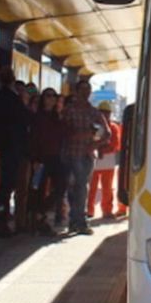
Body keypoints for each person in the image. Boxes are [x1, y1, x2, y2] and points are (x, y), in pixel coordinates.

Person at [60, 80, 109, 235]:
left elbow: (107, 133)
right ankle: (77, 219)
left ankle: (77, 220)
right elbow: (64, 132)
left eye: (88, 89)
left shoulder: (94, 112)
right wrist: (83, 135)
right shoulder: (69, 110)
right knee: (75, 187)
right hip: (71, 153)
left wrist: (95, 145)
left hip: (87, 154)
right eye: (83, 89)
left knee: (81, 186)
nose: (86, 93)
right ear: (76, 91)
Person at [0, 67, 30, 237]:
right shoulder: (10, 98)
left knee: (6, 186)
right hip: (12, 147)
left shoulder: (2, 97)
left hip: (9, 146)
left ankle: (1, 220)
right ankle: (0, 221)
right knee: (7, 185)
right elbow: (22, 119)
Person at [27, 87, 65, 235]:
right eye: (48, 95)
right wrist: (35, 159)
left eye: (53, 96)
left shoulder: (57, 116)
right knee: (38, 189)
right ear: (43, 99)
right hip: (41, 158)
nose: (51, 98)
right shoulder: (37, 117)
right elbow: (33, 138)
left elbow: (63, 134)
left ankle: (40, 213)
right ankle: (38, 222)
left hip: (55, 157)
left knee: (61, 186)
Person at [88, 101, 124, 219]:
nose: (105, 115)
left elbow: (115, 144)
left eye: (107, 112)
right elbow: (90, 141)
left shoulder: (113, 127)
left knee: (107, 188)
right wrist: (99, 150)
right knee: (91, 188)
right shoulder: (94, 126)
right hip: (95, 160)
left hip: (108, 161)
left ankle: (107, 211)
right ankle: (89, 210)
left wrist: (102, 150)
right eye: (102, 112)